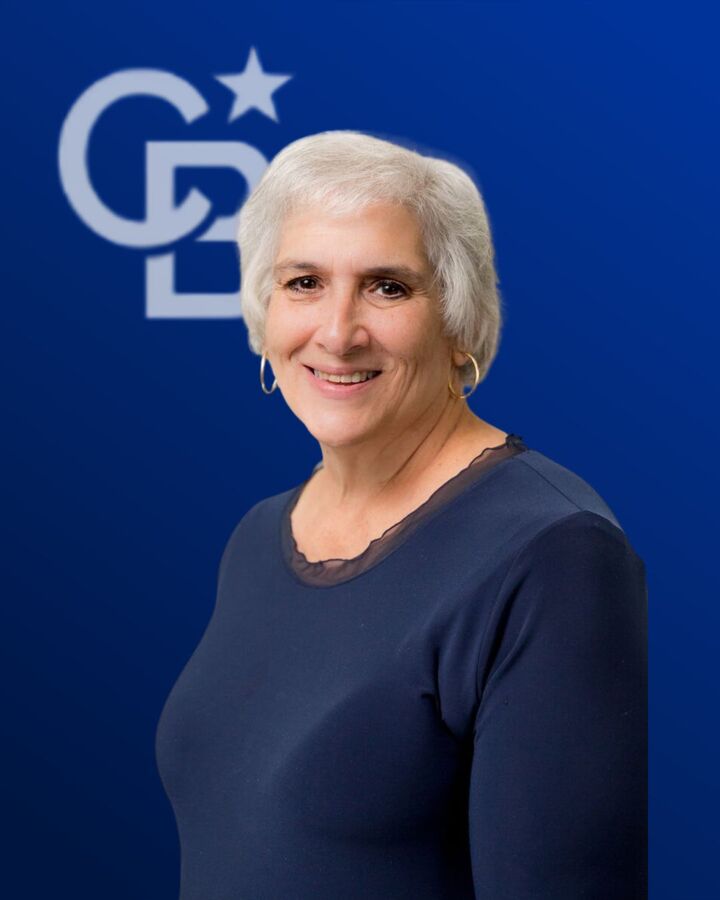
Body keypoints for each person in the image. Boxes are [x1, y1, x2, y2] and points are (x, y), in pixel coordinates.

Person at [155, 130, 647, 899]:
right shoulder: (257, 537)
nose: (337, 332)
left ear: (458, 323)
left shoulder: (556, 555)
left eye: (387, 287)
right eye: (304, 282)